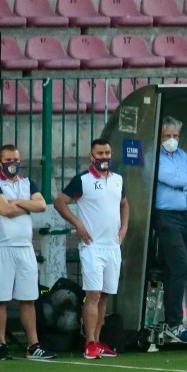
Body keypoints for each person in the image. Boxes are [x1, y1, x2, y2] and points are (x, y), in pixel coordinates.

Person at [54, 138, 130, 359]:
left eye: (107, 153)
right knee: (93, 294)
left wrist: (124, 227)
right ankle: (89, 343)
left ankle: (97, 340)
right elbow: (60, 202)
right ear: (91, 156)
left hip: (112, 246)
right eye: (100, 153)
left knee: (105, 295)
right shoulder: (83, 180)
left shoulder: (117, 179)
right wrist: (78, 223)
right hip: (92, 246)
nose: (104, 157)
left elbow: (124, 203)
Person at [0, 144, 56, 361]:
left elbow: (42, 205)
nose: (12, 164)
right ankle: (1, 344)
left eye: (16, 160)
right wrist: (27, 205)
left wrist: (18, 202)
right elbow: (4, 210)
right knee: (0, 299)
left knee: (28, 297)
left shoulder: (27, 183)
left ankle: (33, 345)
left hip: (25, 247)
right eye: (8, 160)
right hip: (2, 247)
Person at [153, 116, 187, 344]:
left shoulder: (182, 155)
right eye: (167, 136)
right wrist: (185, 181)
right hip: (167, 217)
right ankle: (174, 322)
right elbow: (170, 179)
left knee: (179, 268)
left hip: (186, 217)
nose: (172, 140)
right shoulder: (155, 158)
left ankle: (182, 318)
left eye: (175, 136)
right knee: (179, 266)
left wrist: (183, 182)